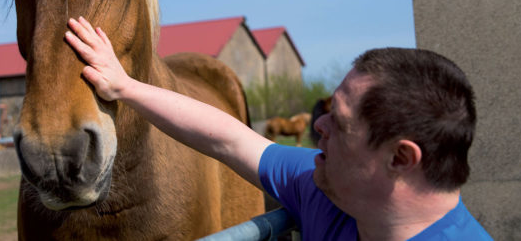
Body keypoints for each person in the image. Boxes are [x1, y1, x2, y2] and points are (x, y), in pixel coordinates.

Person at [63, 17, 492, 240]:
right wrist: (125, 86)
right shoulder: (326, 189)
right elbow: (227, 138)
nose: (317, 126)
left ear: (400, 157)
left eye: (340, 123)